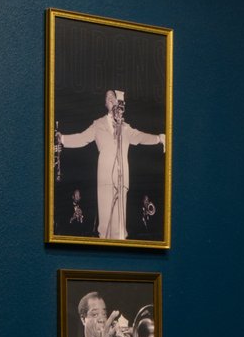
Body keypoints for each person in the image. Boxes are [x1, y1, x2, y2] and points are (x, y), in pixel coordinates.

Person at [55, 88, 165, 240]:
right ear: (105, 104)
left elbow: (140, 137)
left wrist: (159, 138)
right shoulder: (98, 124)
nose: (111, 99)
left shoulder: (125, 127)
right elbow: (82, 138)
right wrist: (63, 139)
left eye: (113, 96)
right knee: (105, 225)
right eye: (108, 98)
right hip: (105, 178)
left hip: (122, 180)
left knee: (120, 226)